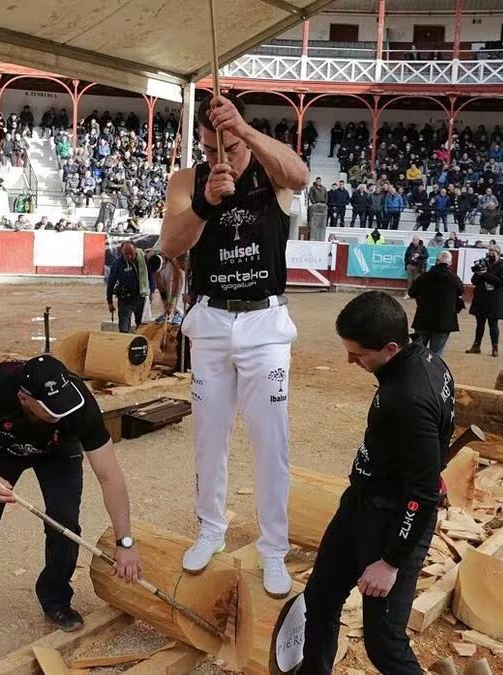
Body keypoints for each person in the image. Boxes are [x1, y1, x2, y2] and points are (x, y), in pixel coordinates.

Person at [159, 93, 306, 597]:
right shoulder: (189, 180)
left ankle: (273, 548)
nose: (218, 157)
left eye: (229, 146)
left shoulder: (270, 169)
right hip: (213, 319)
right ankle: (210, 529)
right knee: (208, 436)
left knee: (271, 442)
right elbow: (171, 245)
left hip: (265, 323)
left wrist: (245, 133)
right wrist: (206, 202)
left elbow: (301, 176)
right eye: (207, 147)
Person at [0, 356, 143, 634]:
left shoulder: (79, 403)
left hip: (58, 451)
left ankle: (56, 599)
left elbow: (110, 476)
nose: (61, 413)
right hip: (0, 446)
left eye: (64, 405)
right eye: (52, 409)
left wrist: (126, 542)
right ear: (24, 398)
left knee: (64, 521)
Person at [299, 291, 454, 675]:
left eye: (358, 354)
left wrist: (389, 561)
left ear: (389, 346)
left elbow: (422, 493)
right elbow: (433, 445)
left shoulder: (410, 397)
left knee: (384, 644)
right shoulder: (425, 360)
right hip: (362, 503)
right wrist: (429, 467)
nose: (350, 360)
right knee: (319, 600)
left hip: (393, 523)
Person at [409, 251, 463, 356]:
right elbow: (460, 291)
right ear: (450, 263)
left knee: (419, 353)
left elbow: (412, 293)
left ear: (436, 261)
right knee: (436, 356)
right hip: (443, 322)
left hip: (423, 319)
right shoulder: (454, 279)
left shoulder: (424, 277)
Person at [465, 245, 503, 357]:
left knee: (493, 324)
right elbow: (473, 280)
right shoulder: (483, 263)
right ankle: (476, 345)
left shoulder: (502, 266)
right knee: (480, 324)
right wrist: (479, 274)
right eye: (489, 251)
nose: (490, 253)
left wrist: (485, 275)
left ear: (498, 253)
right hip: (481, 298)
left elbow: (500, 282)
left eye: (493, 251)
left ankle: (495, 347)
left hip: (494, 300)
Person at [106, 241, 148, 333]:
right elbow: (111, 283)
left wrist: (151, 291)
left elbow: (150, 275)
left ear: (136, 250)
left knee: (142, 327)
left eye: (131, 254)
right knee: (124, 328)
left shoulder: (143, 260)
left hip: (141, 297)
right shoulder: (117, 264)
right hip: (125, 299)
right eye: (126, 254)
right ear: (122, 252)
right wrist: (109, 302)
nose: (129, 256)